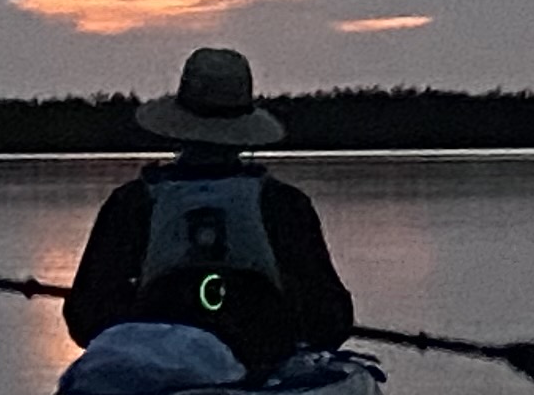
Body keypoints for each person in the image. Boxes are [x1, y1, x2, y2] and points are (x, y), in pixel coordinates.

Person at [62, 46, 356, 378]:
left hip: (156, 375)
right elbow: (331, 321)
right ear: (244, 126)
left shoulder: (131, 203)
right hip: (261, 367)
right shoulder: (284, 204)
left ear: (178, 123)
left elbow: (85, 321)